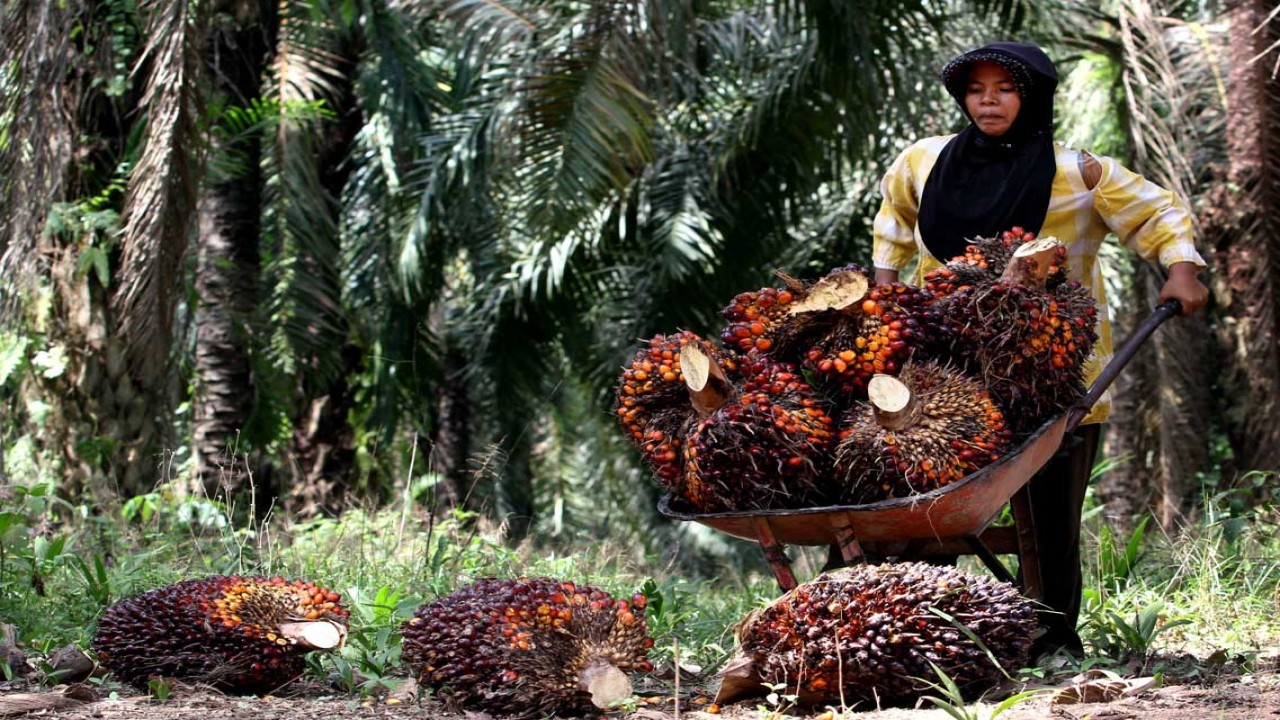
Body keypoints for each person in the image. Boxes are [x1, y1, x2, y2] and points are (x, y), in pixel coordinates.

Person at [870, 41, 1210, 658]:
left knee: (1051, 515)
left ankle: (1052, 638)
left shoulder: (1078, 173)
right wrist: (884, 296)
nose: (989, 101)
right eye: (976, 90)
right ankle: (919, 635)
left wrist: (1181, 267)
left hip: (1054, 375)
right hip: (947, 377)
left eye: (1005, 89)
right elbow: (893, 222)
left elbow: (1159, 213)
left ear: (1032, 98)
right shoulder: (924, 161)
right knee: (924, 506)